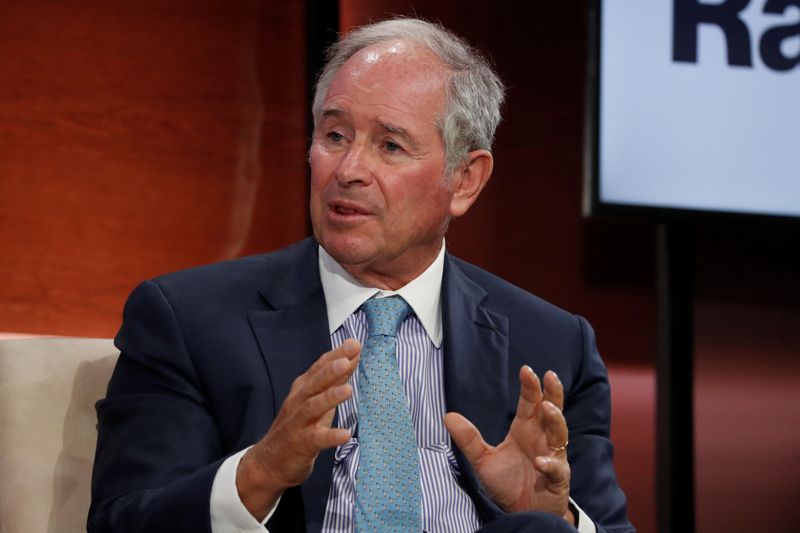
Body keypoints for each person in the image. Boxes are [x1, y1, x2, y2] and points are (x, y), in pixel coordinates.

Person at [89, 17, 634, 533]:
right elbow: (123, 520)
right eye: (334, 136)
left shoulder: (552, 345)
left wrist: (554, 518)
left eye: (390, 146)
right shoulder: (189, 319)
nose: (348, 171)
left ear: (466, 179)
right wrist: (258, 472)